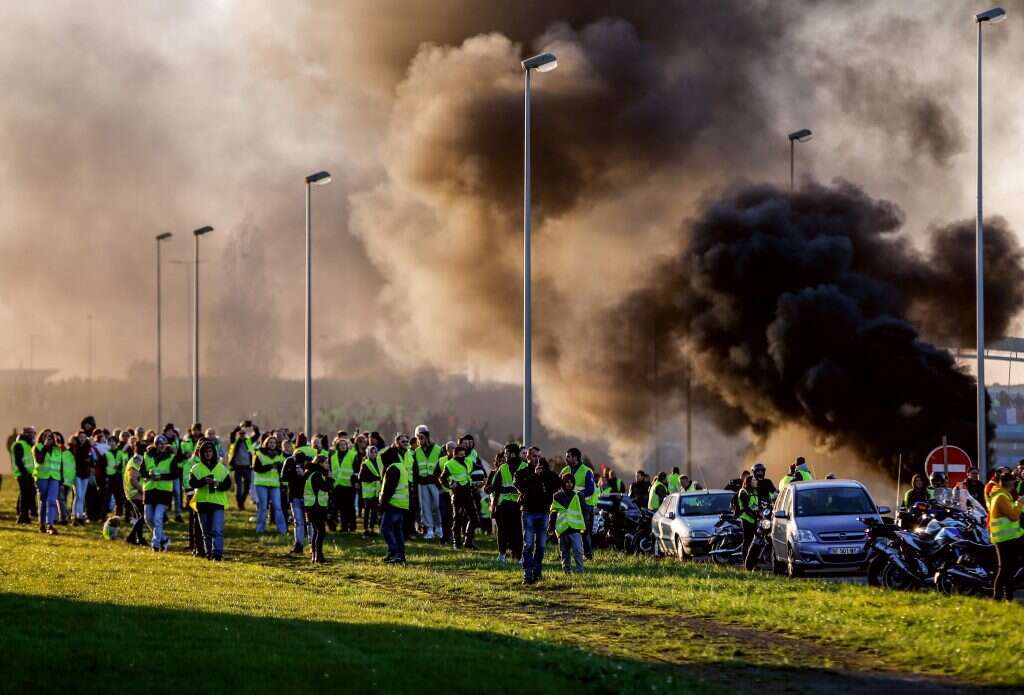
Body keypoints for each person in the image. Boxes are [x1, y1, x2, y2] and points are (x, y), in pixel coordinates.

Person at [515, 455, 560, 584]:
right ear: (528, 457)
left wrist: (546, 474)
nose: (536, 459)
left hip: (544, 512)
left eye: (538, 456)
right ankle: (527, 574)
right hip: (528, 511)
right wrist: (534, 475)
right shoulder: (522, 472)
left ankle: (537, 572)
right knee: (528, 544)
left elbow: (558, 483)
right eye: (533, 456)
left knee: (540, 545)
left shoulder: (548, 474)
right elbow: (519, 485)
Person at [189, 440, 232, 560]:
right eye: (205, 452)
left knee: (217, 530)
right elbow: (192, 484)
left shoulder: (221, 468)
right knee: (206, 532)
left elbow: (228, 485)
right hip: (202, 503)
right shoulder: (196, 468)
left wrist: (218, 484)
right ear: (201, 453)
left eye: (210, 451)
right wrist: (203, 481)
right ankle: (209, 554)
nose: (208, 454)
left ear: (214, 453)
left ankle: (217, 554)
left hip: (217, 503)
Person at [987, 472, 1024, 600]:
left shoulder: (1003, 495)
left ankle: (1008, 597)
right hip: (1006, 539)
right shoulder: (1001, 497)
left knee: (1009, 569)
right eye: (1014, 482)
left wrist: (1019, 505)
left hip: (1010, 538)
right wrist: (1020, 503)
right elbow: (1013, 516)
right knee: (1005, 569)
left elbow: (1012, 511)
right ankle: (997, 597)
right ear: (1011, 483)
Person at [489, 443, 527, 562]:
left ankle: (519, 555)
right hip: (504, 504)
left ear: (513, 454)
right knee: (503, 531)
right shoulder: (502, 468)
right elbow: (495, 487)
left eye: (506, 453)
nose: (505, 456)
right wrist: (494, 505)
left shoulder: (525, 467)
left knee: (518, 532)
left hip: (519, 505)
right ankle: (502, 554)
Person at [141, 435, 178, 552]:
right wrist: (149, 474)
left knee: (157, 518)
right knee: (148, 518)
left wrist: (161, 476)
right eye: (159, 444)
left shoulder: (171, 457)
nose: (162, 446)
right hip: (149, 490)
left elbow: (175, 474)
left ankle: (156, 545)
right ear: (155, 444)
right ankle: (164, 539)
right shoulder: (147, 456)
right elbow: (142, 472)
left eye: (164, 444)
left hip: (164, 492)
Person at [560, 448, 596, 560]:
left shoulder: (587, 471)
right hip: (568, 507)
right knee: (567, 531)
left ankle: (588, 555)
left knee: (585, 531)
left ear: (575, 457)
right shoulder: (565, 470)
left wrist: (576, 496)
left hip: (585, 506)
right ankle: (566, 554)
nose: (566, 458)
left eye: (568, 456)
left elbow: (590, 490)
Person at [379, 443, 410, 564]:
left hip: (393, 504)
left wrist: (382, 505)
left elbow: (388, 490)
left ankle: (394, 553)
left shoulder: (392, 469)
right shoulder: (401, 467)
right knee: (397, 531)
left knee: (385, 528)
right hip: (402, 504)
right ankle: (400, 555)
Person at [550, 473, 586, 574]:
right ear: (563, 483)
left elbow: (584, 511)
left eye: (571, 482)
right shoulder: (557, 496)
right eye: (566, 482)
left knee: (578, 551)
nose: (569, 484)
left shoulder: (578, 496)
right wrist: (551, 527)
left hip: (575, 528)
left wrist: (586, 525)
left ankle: (580, 571)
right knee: (564, 552)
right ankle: (567, 571)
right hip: (562, 529)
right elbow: (553, 513)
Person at [412, 425, 443, 541]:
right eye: (418, 438)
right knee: (425, 508)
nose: (420, 440)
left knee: (437, 506)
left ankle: (439, 528)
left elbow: (442, 467)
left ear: (427, 437)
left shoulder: (438, 450)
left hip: (435, 483)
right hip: (422, 484)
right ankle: (429, 529)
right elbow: (415, 469)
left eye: (422, 437)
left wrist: (437, 479)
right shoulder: (416, 452)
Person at [302, 451, 334, 564]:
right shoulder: (317, 474)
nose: (328, 465)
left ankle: (315, 556)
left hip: (312, 506)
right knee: (321, 532)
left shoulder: (310, 473)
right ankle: (319, 556)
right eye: (326, 463)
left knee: (316, 531)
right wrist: (330, 478)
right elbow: (326, 488)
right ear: (320, 463)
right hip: (316, 507)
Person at [253, 434, 287, 535]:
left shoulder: (280, 454)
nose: (272, 444)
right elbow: (256, 468)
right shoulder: (259, 453)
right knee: (263, 507)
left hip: (275, 484)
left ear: (276, 444)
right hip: (261, 484)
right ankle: (260, 529)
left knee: (278, 507)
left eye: (274, 443)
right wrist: (270, 466)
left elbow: (282, 470)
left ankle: (283, 530)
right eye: (270, 442)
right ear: (266, 443)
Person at [32, 429, 62, 534]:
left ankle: (50, 525)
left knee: (52, 500)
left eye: (50, 436)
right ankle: (42, 524)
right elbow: (39, 460)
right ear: (41, 437)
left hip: (54, 478)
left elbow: (60, 464)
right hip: (42, 477)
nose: (48, 438)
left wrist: (61, 479)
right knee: (44, 501)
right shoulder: (37, 447)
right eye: (45, 436)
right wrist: (45, 447)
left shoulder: (57, 449)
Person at [329, 434, 358, 533]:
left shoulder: (352, 455)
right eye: (341, 445)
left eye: (344, 445)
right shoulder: (333, 457)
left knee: (349, 508)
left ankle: (351, 527)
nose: (343, 446)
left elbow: (356, 470)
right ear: (337, 446)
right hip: (337, 485)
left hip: (349, 485)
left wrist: (355, 482)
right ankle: (340, 526)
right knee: (337, 508)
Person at [281, 450, 309, 554]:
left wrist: (303, 474)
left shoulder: (309, 463)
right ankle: (299, 545)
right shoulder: (289, 462)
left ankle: (313, 546)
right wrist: (293, 472)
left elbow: (312, 479)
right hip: (295, 496)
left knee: (310, 522)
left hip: (308, 496)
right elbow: (283, 477)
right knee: (298, 521)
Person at [228, 421, 258, 510]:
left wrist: (253, 426)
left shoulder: (248, 441)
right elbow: (232, 434)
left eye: (243, 433)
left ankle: (241, 502)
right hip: (238, 467)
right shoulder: (234, 441)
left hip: (247, 467)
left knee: (247, 487)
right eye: (240, 433)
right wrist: (239, 426)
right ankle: (239, 504)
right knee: (239, 487)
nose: (242, 435)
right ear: (238, 434)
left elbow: (257, 434)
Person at [10, 426, 37, 524]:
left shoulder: (29, 445)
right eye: (31, 433)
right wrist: (24, 472)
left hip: (30, 473)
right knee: (25, 494)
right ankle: (22, 516)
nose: (33, 435)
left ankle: (24, 514)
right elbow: (19, 461)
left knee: (28, 494)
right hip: (22, 474)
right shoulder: (19, 444)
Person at [122, 438, 146, 545]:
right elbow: (133, 479)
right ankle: (132, 537)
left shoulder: (136, 458)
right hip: (135, 493)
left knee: (140, 517)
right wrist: (143, 491)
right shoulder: (137, 460)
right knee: (143, 517)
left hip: (134, 493)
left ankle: (138, 538)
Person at [359, 443, 382, 537]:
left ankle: (372, 529)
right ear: (368, 453)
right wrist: (374, 478)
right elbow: (361, 477)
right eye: (372, 452)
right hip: (368, 492)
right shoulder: (365, 463)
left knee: (374, 512)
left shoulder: (379, 463)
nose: (374, 454)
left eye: (375, 452)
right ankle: (366, 529)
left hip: (376, 491)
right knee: (367, 512)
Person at [736, 475, 759, 561]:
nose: (755, 482)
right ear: (749, 482)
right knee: (746, 541)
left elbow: (755, 504)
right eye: (753, 481)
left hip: (753, 519)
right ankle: (745, 561)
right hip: (746, 519)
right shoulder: (743, 492)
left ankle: (752, 561)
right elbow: (745, 507)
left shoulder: (754, 491)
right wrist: (754, 514)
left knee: (754, 541)